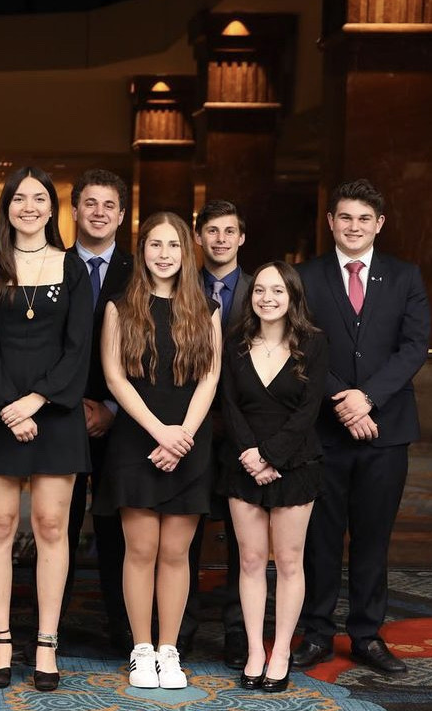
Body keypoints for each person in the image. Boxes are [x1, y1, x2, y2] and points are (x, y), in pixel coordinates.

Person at [0, 166, 93, 692]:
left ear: (52, 208)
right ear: (7, 205)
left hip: (55, 414)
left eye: (40, 198)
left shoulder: (73, 268)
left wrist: (37, 401)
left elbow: (78, 347)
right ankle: (0, 640)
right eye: (20, 198)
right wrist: (5, 408)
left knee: (51, 528)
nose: (30, 206)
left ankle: (45, 641)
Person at [293, 179, 430, 677]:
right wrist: (342, 399)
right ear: (330, 221)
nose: (354, 227)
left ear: (379, 224)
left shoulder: (404, 276)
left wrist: (367, 398)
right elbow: (297, 344)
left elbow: (415, 346)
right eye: (345, 217)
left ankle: (368, 635)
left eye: (364, 219)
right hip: (324, 432)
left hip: (386, 431)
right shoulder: (304, 276)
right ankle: (317, 633)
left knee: (374, 537)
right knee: (320, 538)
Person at [93, 211, 221, 691]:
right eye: (154, 245)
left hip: (189, 441)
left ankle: (170, 650)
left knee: (176, 553)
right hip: (137, 441)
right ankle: (141, 649)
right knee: (141, 550)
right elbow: (114, 377)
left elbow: (210, 375)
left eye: (173, 246)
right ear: (141, 249)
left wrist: (183, 434)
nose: (164, 255)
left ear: (187, 252)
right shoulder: (120, 307)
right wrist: (158, 432)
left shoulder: (206, 308)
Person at [218, 261, 328, 693]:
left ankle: (280, 649)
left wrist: (271, 456)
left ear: (293, 298)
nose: (267, 298)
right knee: (248, 561)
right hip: (242, 463)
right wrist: (251, 455)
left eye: (277, 291)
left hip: (295, 464)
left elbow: (308, 410)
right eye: (260, 290)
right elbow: (229, 404)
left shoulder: (313, 344)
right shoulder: (235, 343)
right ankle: (254, 651)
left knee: (287, 562)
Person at [44, 169, 132, 652]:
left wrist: (114, 407)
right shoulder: (49, 265)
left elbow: (149, 350)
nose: (99, 213)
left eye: (109, 205)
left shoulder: (140, 270)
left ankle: (123, 626)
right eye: (90, 204)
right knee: (55, 524)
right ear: (74, 211)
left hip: (124, 420)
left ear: (121, 215)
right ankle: (49, 630)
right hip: (60, 414)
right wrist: (65, 402)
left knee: (118, 526)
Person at [180, 199, 252, 667]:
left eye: (230, 231)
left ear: (241, 238)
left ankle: (236, 630)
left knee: (244, 540)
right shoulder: (180, 287)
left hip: (245, 431)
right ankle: (180, 628)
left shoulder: (262, 290)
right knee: (185, 531)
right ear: (199, 237)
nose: (221, 239)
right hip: (189, 426)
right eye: (213, 231)